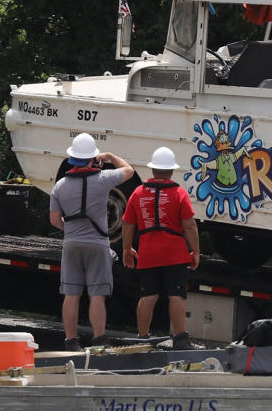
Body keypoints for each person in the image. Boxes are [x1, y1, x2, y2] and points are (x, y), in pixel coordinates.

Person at [49, 133, 135, 351]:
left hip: (71, 244)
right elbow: (129, 171)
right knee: (97, 295)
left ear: (72, 158)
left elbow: (53, 220)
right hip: (97, 244)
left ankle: (71, 342)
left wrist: (69, 229)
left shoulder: (59, 186)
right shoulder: (103, 179)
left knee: (71, 294)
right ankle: (98, 342)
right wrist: (109, 156)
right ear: (91, 159)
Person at [121, 146, 202, 350]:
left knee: (148, 295)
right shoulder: (179, 194)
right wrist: (195, 251)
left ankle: (142, 337)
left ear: (153, 170)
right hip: (175, 254)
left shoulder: (138, 193)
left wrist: (127, 248)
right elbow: (190, 225)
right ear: (172, 171)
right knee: (176, 295)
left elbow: (128, 223)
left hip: (148, 254)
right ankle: (180, 339)